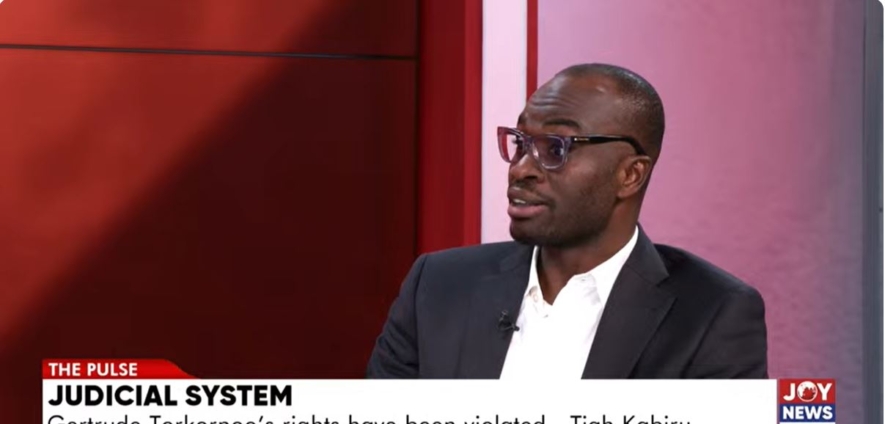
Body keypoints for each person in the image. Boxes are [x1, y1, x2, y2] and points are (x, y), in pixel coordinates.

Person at [366, 63, 767, 379]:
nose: (521, 169)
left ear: (630, 175)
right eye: (521, 143)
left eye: (555, 147)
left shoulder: (712, 313)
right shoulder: (437, 286)